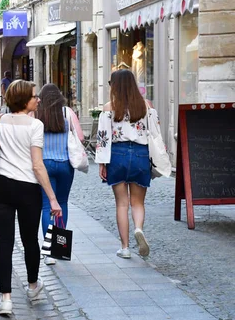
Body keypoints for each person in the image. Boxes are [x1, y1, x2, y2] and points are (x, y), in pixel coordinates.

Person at [0, 80, 62, 315]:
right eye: (34, 96)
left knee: (4, 242)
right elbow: (38, 165)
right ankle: (32, 286)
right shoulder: (35, 125)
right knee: (30, 240)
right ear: (23, 99)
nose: (37, 99)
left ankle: (5, 298)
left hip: (0, 187)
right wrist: (52, 198)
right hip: (27, 189)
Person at [96, 69, 156, 259]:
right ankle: (138, 229)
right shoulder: (146, 106)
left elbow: (103, 138)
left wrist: (102, 163)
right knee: (138, 202)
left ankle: (125, 248)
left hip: (118, 155)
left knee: (121, 204)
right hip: (140, 154)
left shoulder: (109, 108)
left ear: (115, 86)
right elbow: (154, 134)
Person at [35, 83, 84, 265]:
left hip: (44, 165)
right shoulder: (67, 113)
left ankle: (48, 254)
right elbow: (80, 137)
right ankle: (59, 249)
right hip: (65, 165)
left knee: (47, 206)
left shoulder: (37, 114)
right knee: (62, 203)